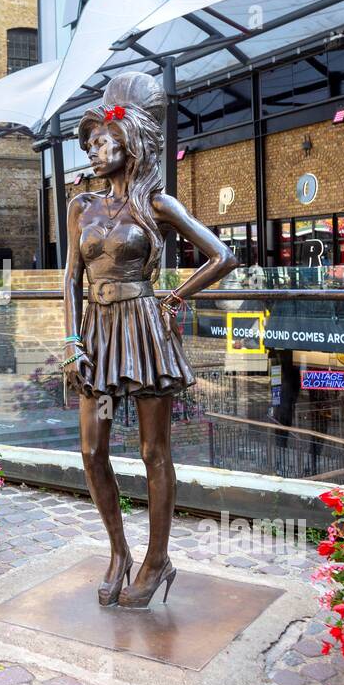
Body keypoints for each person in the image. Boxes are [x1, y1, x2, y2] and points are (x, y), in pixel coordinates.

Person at [62, 72, 236, 609]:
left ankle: (157, 559)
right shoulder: (80, 206)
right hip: (96, 330)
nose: (94, 152)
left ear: (130, 143)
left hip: (143, 330)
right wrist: (72, 340)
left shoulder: (156, 204)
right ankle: (119, 552)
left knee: (153, 451)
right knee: (92, 450)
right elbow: (69, 278)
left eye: (104, 143)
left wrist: (174, 298)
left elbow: (223, 256)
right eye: (90, 145)